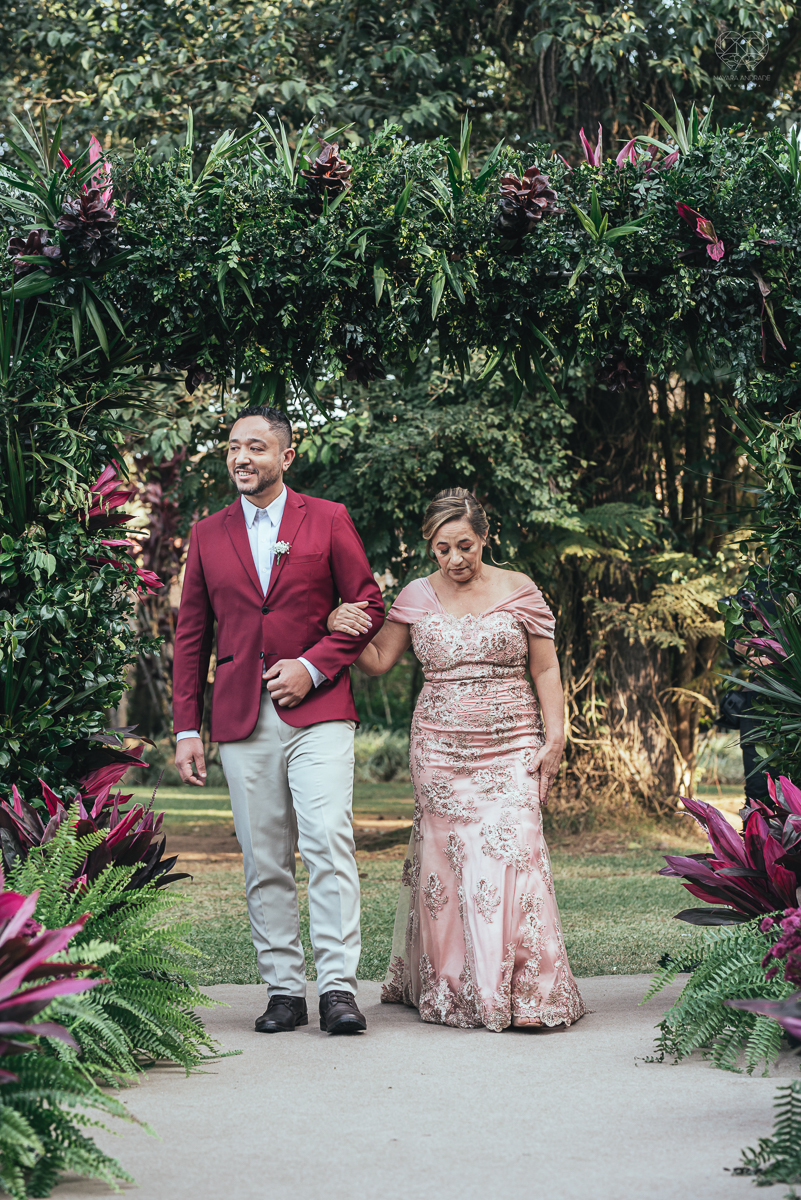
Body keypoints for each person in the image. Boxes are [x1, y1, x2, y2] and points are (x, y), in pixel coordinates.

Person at [328, 488, 586, 1032]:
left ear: (485, 537)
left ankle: (527, 992)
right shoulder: (416, 596)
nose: (454, 560)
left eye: (464, 545)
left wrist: (555, 736)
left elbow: (545, 670)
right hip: (439, 749)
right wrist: (340, 623)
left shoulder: (519, 590)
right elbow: (377, 661)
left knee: (515, 852)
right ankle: (457, 988)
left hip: (513, 741)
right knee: (450, 863)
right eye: (442, 549)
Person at [172, 406, 385, 1036]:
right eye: (235, 447)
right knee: (264, 857)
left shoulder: (326, 518)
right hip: (240, 718)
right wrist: (187, 728)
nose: (242, 457)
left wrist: (314, 667)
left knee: (328, 843)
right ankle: (284, 989)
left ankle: (339, 988)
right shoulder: (208, 534)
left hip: (319, 712)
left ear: (285, 457)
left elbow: (368, 602)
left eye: (257, 447)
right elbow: (191, 637)